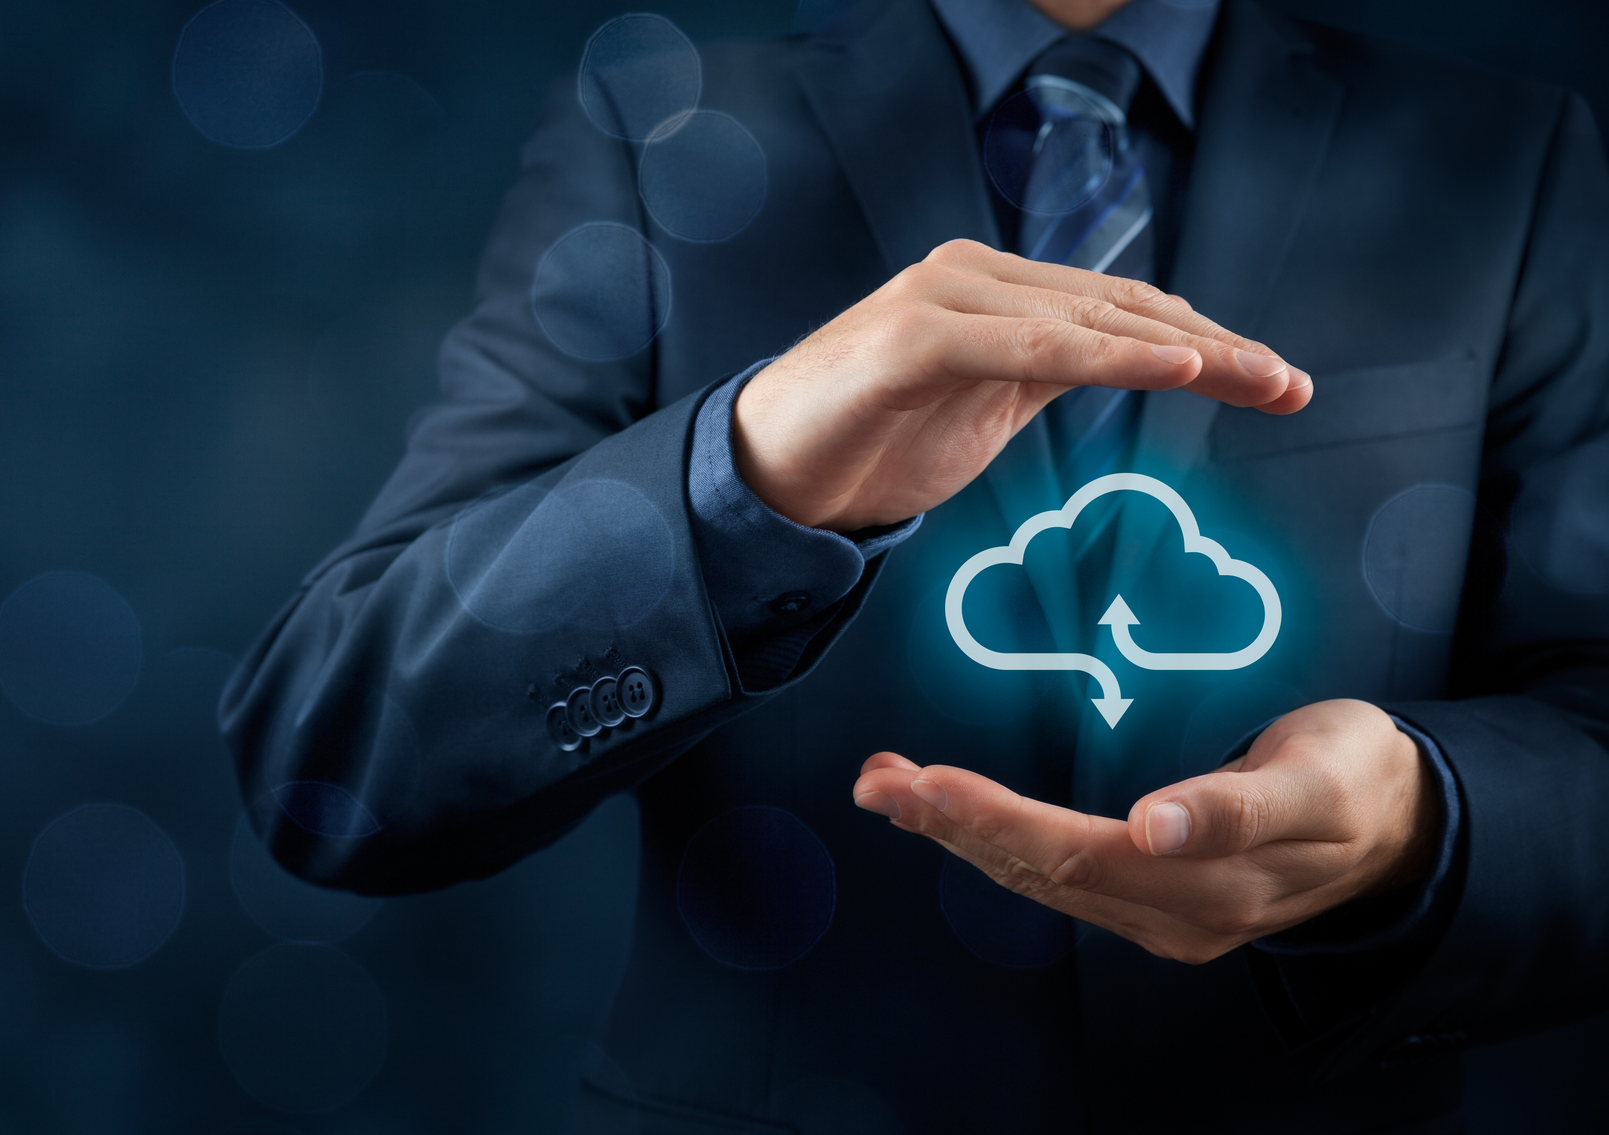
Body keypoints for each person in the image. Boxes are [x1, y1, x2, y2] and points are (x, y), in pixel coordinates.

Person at [220, 0, 1609, 1128]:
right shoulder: (660, 133)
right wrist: (738, 474)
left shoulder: (1503, 152)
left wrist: (1423, 826)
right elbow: (334, 757)